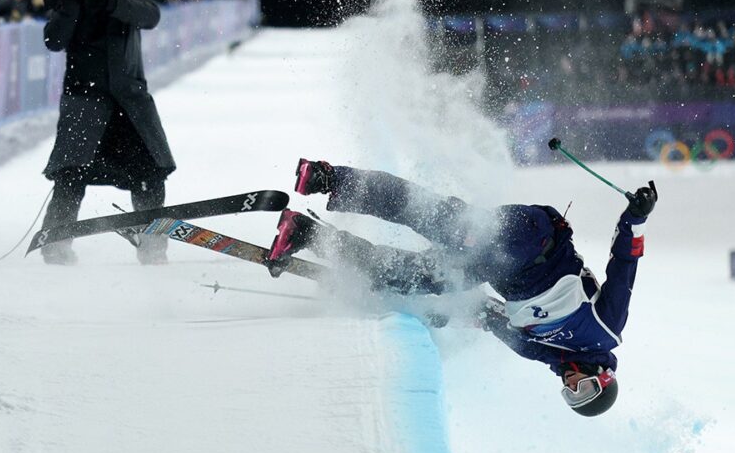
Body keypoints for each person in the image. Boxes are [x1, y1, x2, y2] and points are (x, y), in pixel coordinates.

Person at [268, 160, 658, 417]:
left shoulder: (537, 351)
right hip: (532, 242)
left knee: (408, 278)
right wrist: (634, 219)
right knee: (442, 222)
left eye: (571, 395)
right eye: (584, 388)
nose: (571, 385)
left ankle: (306, 234)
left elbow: (485, 314)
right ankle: (329, 178)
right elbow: (624, 264)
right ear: (602, 377)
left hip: (493, 269)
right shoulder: (606, 329)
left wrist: (443, 313)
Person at [39, 0, 174, 265]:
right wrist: (74, 5)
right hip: (85, 101)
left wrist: (112, 3)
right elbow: (54, 40)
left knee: (149, 174)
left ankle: (153, 247)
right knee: (70, 177)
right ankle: (56, 246)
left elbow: (151, 16)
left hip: (129, 104)